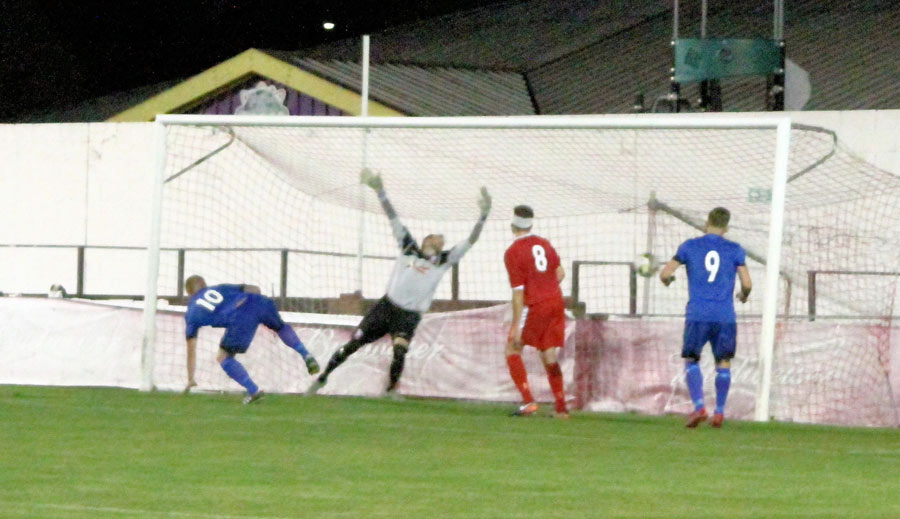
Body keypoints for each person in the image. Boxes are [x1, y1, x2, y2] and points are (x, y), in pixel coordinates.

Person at [308, 168, 491, 397]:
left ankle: (391, 390)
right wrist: (380, 190)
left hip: (408, 315)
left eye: (442, 240)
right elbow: (392, 217)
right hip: (386, 307)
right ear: (426, 240)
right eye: (437, 237)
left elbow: (471, 241)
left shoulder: (444, 261)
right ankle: (322, 379)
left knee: (400, 351)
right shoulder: (408, 247)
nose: (441, 240)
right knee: (354, 343)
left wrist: (483, 215)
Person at [658, 207, 752, 428]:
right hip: (724, 316)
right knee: (724, 362)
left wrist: (668, 281)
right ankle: (719, 412)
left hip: (698, 314)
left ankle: (699, 406)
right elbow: (747, 284)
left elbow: (665, 273)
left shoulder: (689, 246)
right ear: (726, 228)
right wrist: (743, 295)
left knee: (692, 360)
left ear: (706, 223)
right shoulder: (735, 249)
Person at [183, 276, 320, 404]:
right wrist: (258, 310)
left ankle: (254, 391)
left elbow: (191, 348)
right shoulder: (220, 288)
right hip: (260, 301)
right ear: (204, 285)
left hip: (240, 314)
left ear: (189, 293)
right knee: (280, 327)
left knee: (223, 357)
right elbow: (254, 289)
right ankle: (306, 354)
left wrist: (190, 379)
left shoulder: (192, 311)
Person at [503, 205, 569, 418]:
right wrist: (546, 287)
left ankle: (528, 401)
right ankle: (561, 408)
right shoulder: (544, 244)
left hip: (535, 306)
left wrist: (516, 326)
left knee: (513, 348)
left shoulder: (513, 252)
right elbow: (560, 273)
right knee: (548, 353)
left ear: (512, 226)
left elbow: (518, 294)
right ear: (530, 225)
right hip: (556, 302)